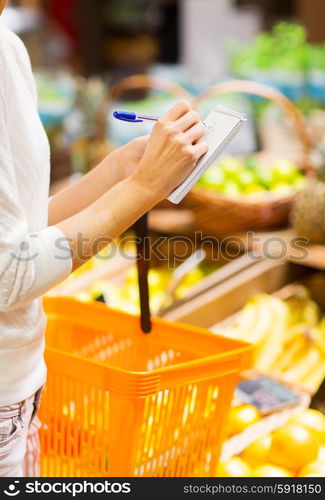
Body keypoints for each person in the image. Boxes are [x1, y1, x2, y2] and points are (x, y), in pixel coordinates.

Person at [0, 0, 207, 477]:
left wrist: (119, 172)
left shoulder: (9, 48)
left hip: (25, 387)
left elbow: (24, 235)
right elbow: (10, 275)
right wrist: (141, 190)